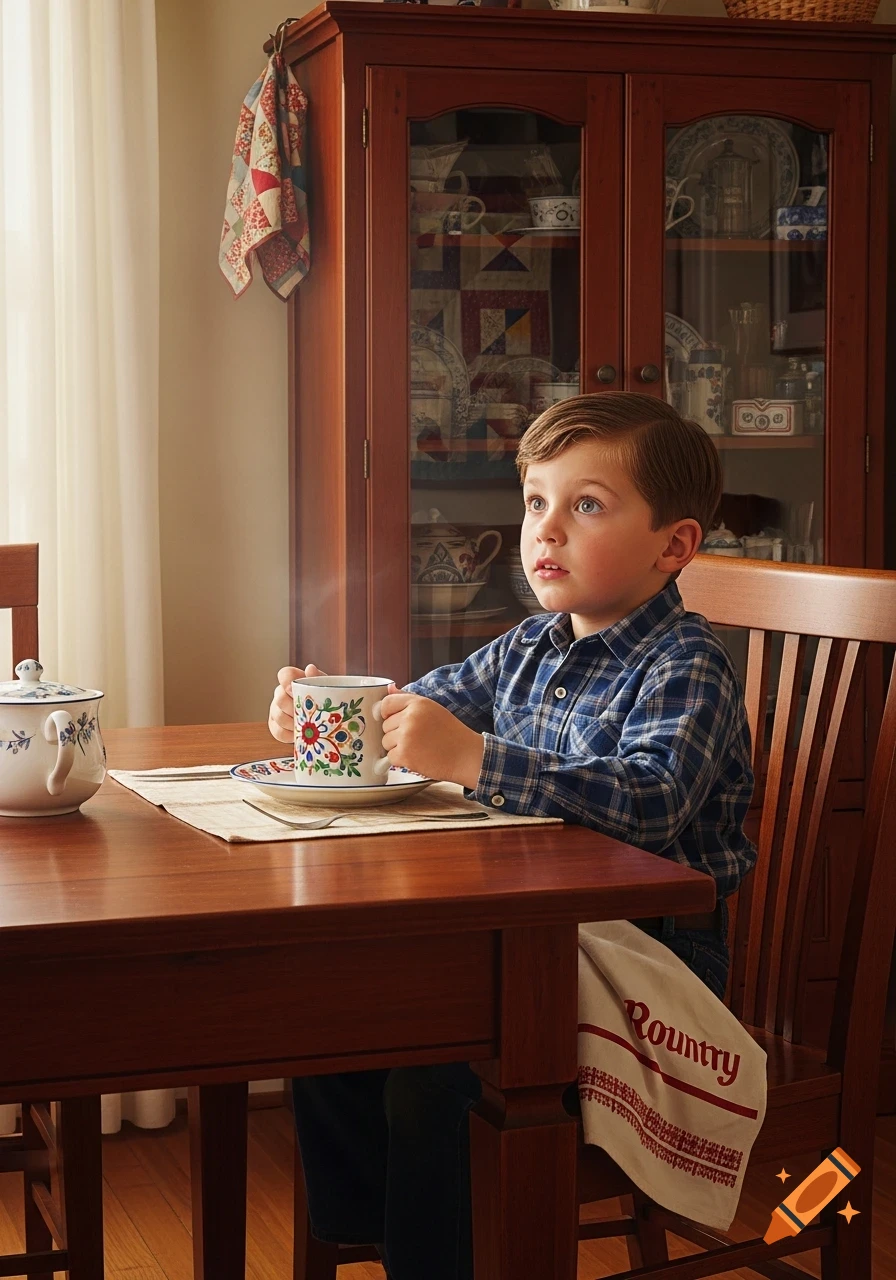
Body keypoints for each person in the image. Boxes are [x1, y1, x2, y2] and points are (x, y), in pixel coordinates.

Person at [267, 391, 756, 1280]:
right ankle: (379, 1240)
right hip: (531, 936)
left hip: (651, 959)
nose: (548, 531)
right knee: (328, 1017)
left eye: (587, 505)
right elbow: (415, 714)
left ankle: (436, 1260)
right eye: (537, 502)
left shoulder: (689, 663)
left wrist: (478, 759)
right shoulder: (530, 645)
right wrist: (322, 708)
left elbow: (652, 802)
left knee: (437, 1078)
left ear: (673, 546)